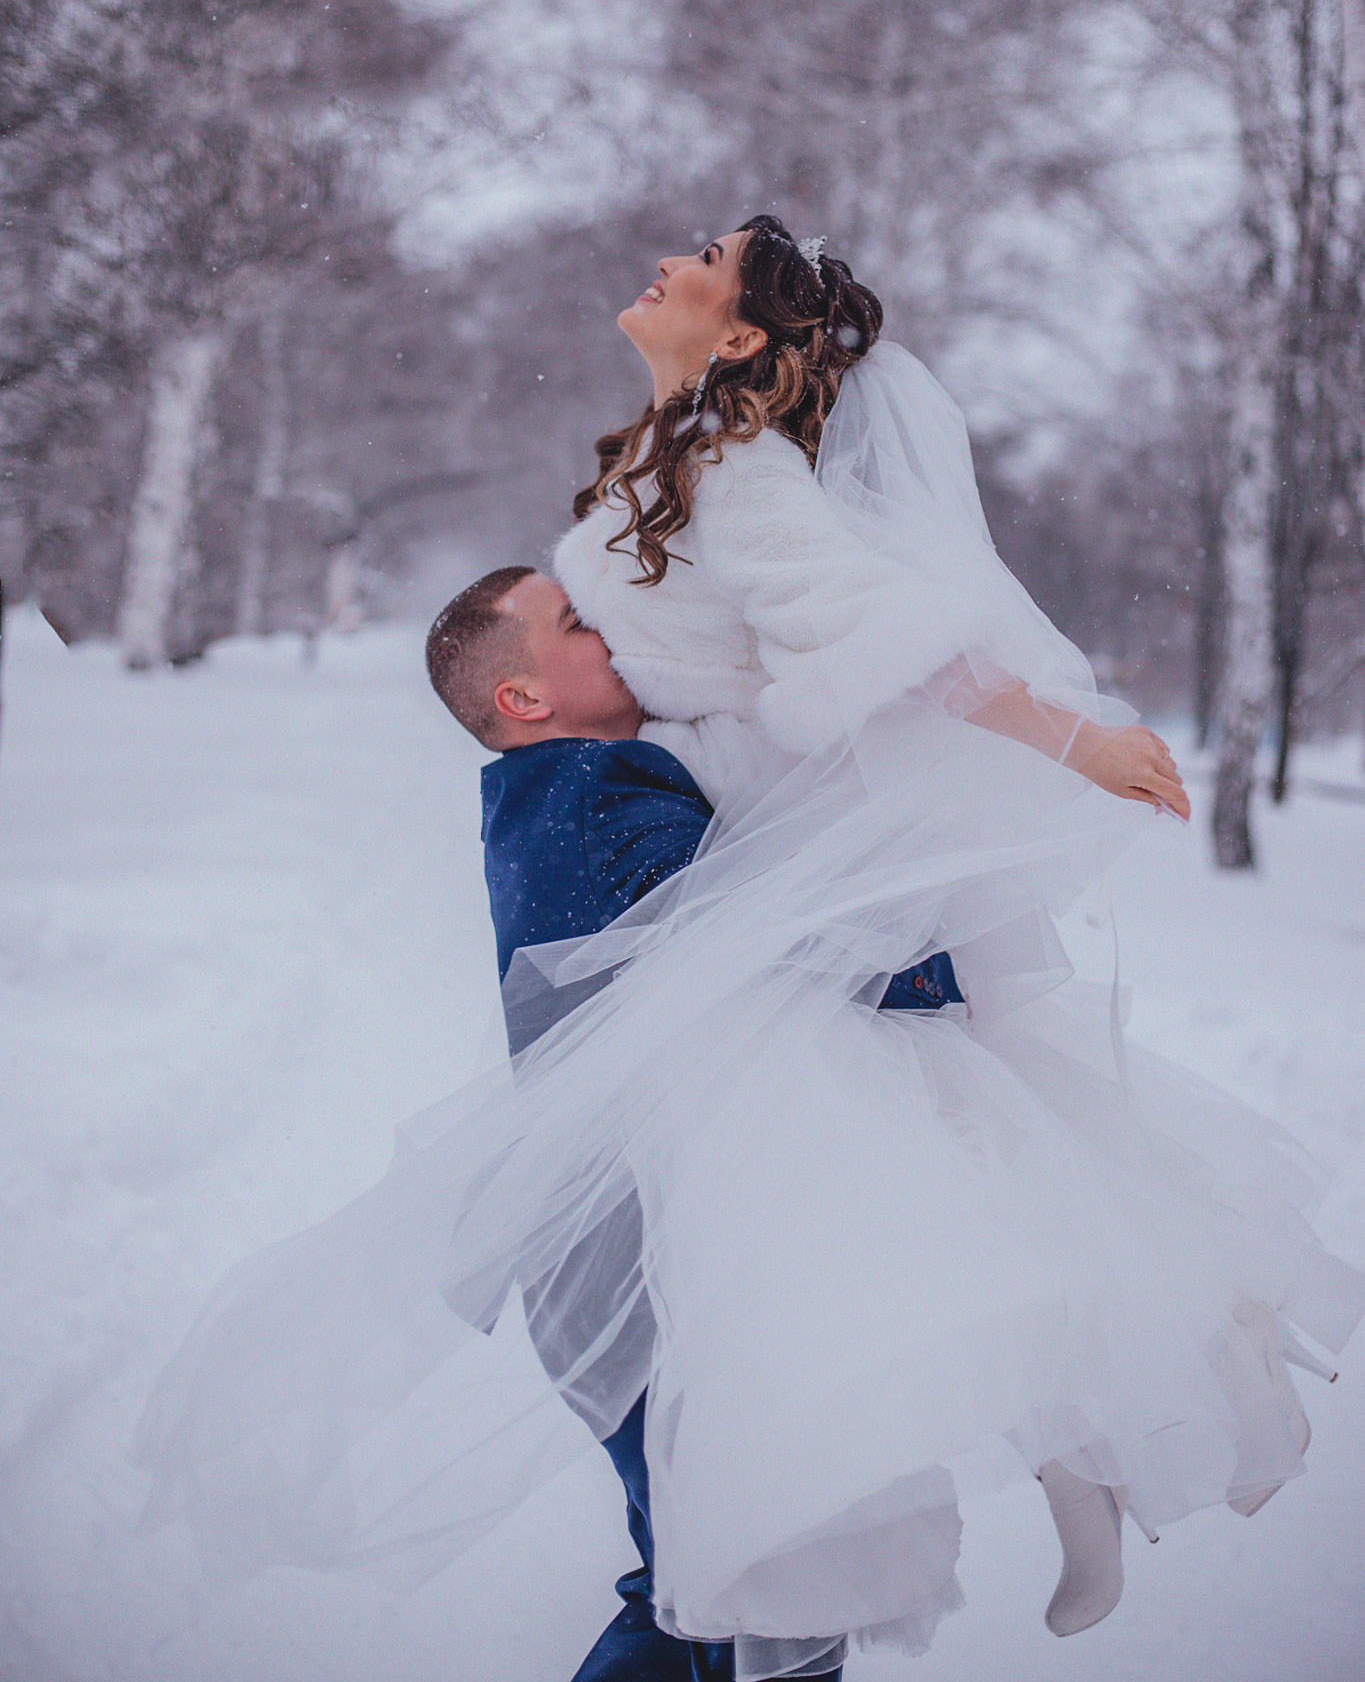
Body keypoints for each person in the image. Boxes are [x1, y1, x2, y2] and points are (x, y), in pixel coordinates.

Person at [136, 219, 1365, 1682]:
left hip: (781, 810)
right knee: (893, 1192)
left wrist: (1075, 737)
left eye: (702, 263)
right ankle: (1054, 1440)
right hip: (724, 812)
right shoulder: (656, 465)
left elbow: (898, 638)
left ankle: (1073, 1430)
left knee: (897, 1183)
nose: (666, 261)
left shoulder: (733, 472)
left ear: (734, 339)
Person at [424, 562, 961, 1680]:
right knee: (741, 1583)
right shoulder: (591, 789)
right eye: (576, 622)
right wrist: (939, 967)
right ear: (523, 697)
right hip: (645, 1260)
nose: (610, 625)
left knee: (710, 1579)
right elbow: (744, 932)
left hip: (636, 1248)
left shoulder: (570, 782)